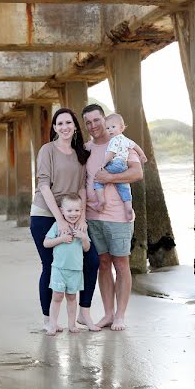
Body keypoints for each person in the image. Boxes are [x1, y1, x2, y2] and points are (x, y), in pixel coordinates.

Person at [30, 107, 102, 332]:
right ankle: (48, 320)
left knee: (91, 261)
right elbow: (43, 184)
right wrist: (59, 220)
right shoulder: (47, 150)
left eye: (68, 123)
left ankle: (84, 312)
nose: (64, 127)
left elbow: (81, 187)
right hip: (45, 213)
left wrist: (81, 219)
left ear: (74, 126)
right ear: (54, 128)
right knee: (50, 266)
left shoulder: (80, 153)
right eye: (60, 124)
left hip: (72, 214)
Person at [81, 104, 144, 331]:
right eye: (88, 122)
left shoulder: (121, 143)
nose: (93, 126)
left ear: (104, 119)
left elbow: (137, 173)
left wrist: (108, 178)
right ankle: (107, 314)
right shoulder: (86, 148)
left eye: (96, 120)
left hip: (118, 215)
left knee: (121, 263)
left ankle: (120, 315)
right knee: (103, 264)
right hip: (92, 215)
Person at [42, 194, 91, 335]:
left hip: (75, 270)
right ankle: (52, 324)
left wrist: (83, 238)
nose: (73, 214)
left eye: (77, 210)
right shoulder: (58, 226)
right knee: (57, 297)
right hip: (59, 269)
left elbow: (86, 249)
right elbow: (46, 243)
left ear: (81, 211)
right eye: (69, 210)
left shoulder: (82, 228)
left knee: (72, 298)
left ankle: (72, 325)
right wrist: (61, 239)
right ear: (61, 211)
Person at [90, 112, 148, 220]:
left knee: (97, 179)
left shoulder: (114, 140)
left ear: (121, 127)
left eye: (113, 127)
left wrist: (103, 164)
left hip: (115, 163)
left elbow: (111, 153)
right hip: (123, 165)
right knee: (123, 185)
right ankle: (128, 207)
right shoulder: (126, 140)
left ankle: (101, 200)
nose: (110, 130)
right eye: (107, 128)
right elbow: (135, 146)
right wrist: (142, 154)